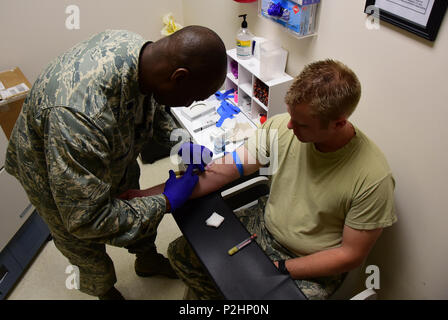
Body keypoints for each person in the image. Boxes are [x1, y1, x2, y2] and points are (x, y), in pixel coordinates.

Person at [4, 26, 227, 300]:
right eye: (193, 98)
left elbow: (153, 104)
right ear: (178, 77)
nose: (190, 103)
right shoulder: (79, 116)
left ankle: (146, 260)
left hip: (107, 146)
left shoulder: (145, 56)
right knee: (83, 244)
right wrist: (165, 201)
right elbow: (88, 220)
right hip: (51, 166)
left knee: (132, 197)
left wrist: (181, 141)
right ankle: (105, 291)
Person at [166, 59, 397, 300]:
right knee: (181, 254)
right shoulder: (282, 130)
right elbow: (229, 168)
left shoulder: (373, 179)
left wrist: (279, 269)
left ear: (339, 123)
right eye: (290, 115)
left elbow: (350, 255)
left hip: (310, 263)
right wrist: (160, 196)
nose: (289, 125)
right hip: (264, 227)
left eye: (301, 123)